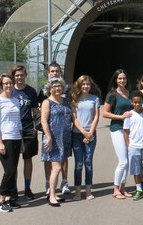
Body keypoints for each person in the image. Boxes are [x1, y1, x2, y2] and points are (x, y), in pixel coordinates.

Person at [37, 62, 71, 195]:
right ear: (48, 73)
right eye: (52, 71)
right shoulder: (43, 91)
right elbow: (41, 111)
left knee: (64, 157)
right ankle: (48, 183)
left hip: (64, 130)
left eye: (57, 71)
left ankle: (64, 182)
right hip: (49, 130)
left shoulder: (66, 88)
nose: (55, 73)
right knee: (48, 158)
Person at [0, 74, 24, 212]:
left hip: (16, 138)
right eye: (5, 83)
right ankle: (1, 200)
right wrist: (0, 142)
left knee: (13, 170)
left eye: (10, 83)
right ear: (1, 85)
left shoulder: (16, 100)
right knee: (9, 170)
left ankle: (9, 199)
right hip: (4, 139)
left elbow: (18, 122)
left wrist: (21, 141)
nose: (8, 85)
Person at [40, 78, 73, 206]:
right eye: (54, 87)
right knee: (56, 167)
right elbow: (44, 121)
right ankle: (51, 195)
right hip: (53, 138)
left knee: (59, 166)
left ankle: (53, 193)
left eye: (59, 86)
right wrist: (48, 137)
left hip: (65, 138)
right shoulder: (47, 102)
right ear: (49, 89)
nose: (57, 88)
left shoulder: (66, 101)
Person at [102, 69, 133, 199]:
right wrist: (120, 117)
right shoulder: (112, 94)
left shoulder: (130, 93)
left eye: (124, 78)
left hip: (129, 130)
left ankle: (123, 188)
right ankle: (115, 189)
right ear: (116, 80)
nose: (122, 81)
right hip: (117, 129)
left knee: (128, 161)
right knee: (123, 161)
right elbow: (105, 113)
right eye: (119, 78)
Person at [70, 75, 101, 201]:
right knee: (78, 164)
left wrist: (90, 133)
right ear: (79, 85)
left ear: (91, 86)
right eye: (83, 84)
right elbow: (74, 118)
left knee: (88, 163)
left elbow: (96, 117)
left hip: (91, 133)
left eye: (88, 84)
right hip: (77, 134)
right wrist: (83, 132)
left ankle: (88, 191)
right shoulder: (74, 99)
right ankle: (77, 192)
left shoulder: (95, 99)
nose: (85, 86)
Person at [11, 65, 39, 200]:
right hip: (13, 131)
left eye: (21, 75)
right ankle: (14, 189)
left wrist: (36, 127)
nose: (19, 77)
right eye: (17, 75)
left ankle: (27, 188)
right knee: (14, 162)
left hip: (28, 130)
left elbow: (35, 111)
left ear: (25, 75)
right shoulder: (10, 91)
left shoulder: (31, 91)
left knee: (27, 159)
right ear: (13, 77)